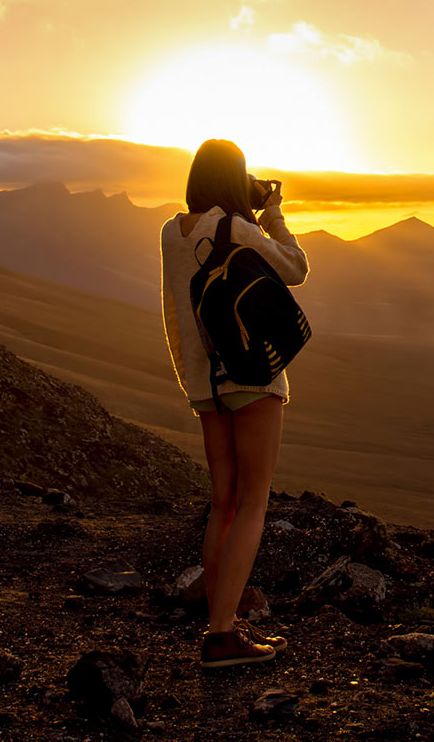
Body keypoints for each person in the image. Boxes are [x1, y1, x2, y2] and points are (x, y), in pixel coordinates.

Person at [159, 138, 308, 668]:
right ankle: (222, 634)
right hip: (253, 377)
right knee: (253, 504)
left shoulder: (170, 233)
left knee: (222, 504)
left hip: (205, 384)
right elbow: (295, 269)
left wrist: (194, 380)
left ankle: (220, 621)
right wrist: (273, 216)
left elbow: (174, 308)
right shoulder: (237, 229)